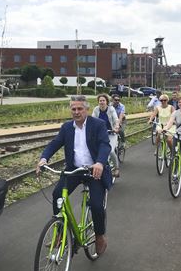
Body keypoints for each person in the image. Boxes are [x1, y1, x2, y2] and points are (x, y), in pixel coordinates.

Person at [37, 95, 112, 255]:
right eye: (73, 109)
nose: (76, 112)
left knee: (97, 206)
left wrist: (99, 162)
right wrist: (44, 158)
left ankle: (99, 236)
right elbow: (55, 143)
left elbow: (105, 145)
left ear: (86, 109)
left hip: (94, 171)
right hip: (74, 170)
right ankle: (59, 233)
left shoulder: (98, 124)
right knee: (58, 194)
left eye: (80, 109)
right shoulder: (66, 128)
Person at [92, 94, 121, 177]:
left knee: (111, 151)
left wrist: (116, 127)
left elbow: (116, 119)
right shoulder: (96, 109)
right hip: (100, 134)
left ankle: (116, 168)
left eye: (103, 100)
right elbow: (93, 120)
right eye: (100, 101)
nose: (101, 102)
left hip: (111, 133)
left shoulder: (111, 109)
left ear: (107, 102)